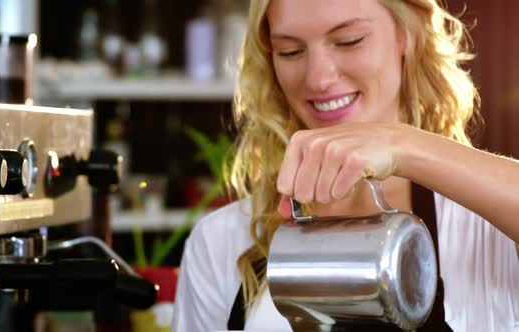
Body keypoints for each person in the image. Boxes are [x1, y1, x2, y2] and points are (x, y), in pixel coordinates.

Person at [172, 0, 519, 331]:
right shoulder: (219, 242)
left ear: (407, 34)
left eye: (349, 41)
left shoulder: (485, 228)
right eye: (290, 51)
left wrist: (402, 143)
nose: (318, 79)